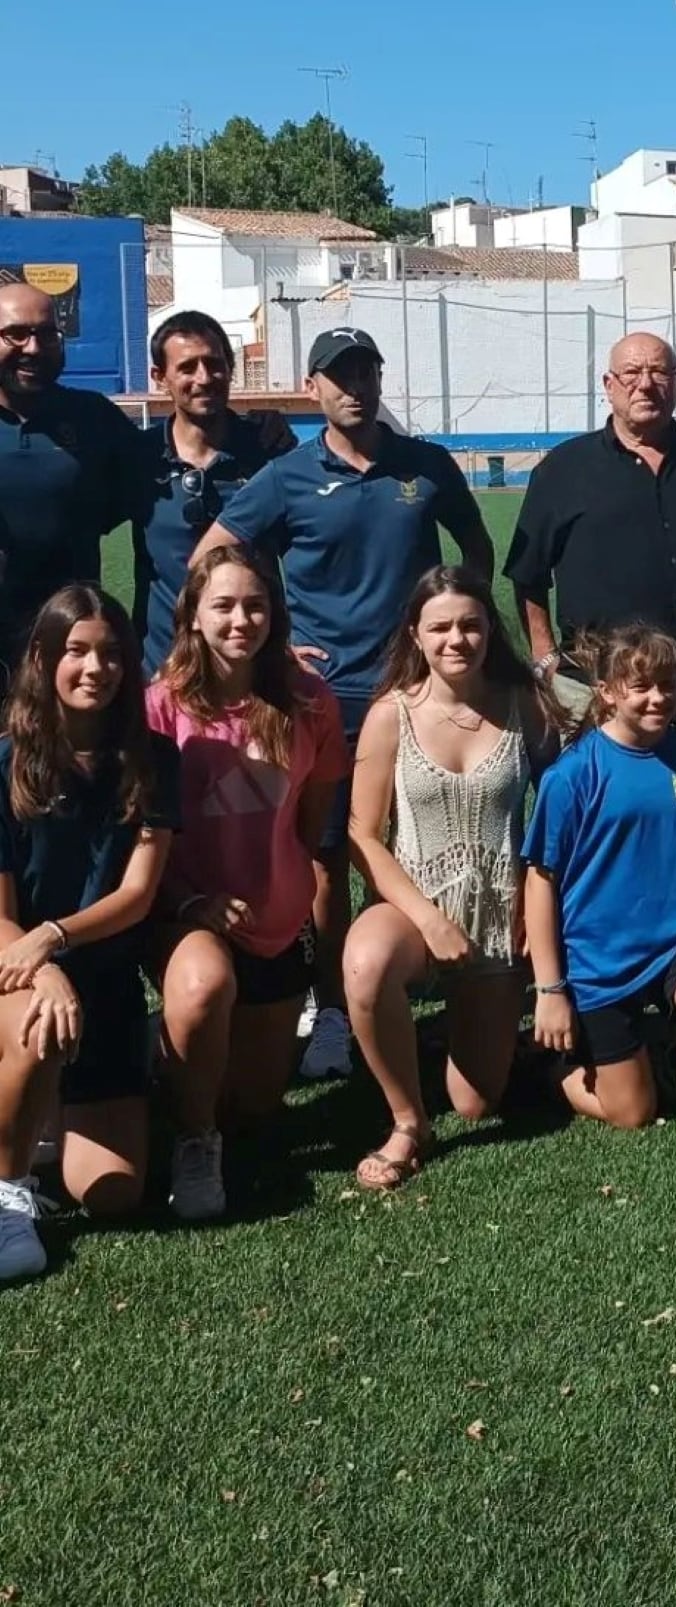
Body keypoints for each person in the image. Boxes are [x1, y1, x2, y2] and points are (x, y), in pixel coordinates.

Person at [192, 326, 493, 1083]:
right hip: (329, 700)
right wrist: (274, 644)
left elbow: (476, 545)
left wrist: (465, 618)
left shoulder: (424, 466)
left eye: (366, 370)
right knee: (328, 854)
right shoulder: (289, 475)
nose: (354, 386)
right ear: (314, 385)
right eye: (338, 374)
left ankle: (444, 979)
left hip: (422, 694)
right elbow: (213, 560)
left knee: (435, 839)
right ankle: (331, 1007)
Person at [145, 545, 348, 1220]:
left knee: (254, 1108)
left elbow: (309, 822)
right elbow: (138, 840)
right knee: (203, 987)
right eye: (224, 605)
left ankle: (168, 1048)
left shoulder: (309, 701)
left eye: (255, 604)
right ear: (194, 615)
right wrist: (187, 903)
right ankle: (194, 1141)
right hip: (187, 918)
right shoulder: (159, 707)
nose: (241, 619)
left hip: (276, 926)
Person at [343, 567, 561, 1189]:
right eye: (439, 627)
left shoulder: (525, 705)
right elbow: (363, 834)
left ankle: (442, 1031)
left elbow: (563, 801)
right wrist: (428, 919)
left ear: (491, 628)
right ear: (415, 634)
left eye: (470, 624)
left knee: (476, 1102)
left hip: (497, 919)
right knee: (367, 962)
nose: (456, 640)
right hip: (414, 911)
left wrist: (535, 895)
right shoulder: (392, 715)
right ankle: (408, 1122)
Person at [523, 624, 676, 1128]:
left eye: (668, 685)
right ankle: (549, 1068)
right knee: (633, 1113)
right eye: (640, 687)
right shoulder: (572, 775)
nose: (658, 698)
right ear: (607, 693)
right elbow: (541, 880)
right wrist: (550, 990)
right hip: (599, 962)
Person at [0, 586, 180, 1281]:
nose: (94, 667)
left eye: (111, 653)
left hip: (102, 983)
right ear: (42, 658)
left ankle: (48, 1114)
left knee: (114, 1192)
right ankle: (11, 1192)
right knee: (43, 1021)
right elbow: (4, 917)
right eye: (76, 650)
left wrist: (57, 939)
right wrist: (43, 963)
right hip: (18, 975)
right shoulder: (7, 759)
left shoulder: (154, 759)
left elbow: (137, 894)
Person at [503, 331, 676, 778]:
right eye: (632, 373)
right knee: (596, 824)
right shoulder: (563, 471)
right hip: (598, 693)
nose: (645, 384)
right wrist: (545, 658)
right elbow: (528, 575)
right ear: (609, 385)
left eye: (659, 373)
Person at [133, 310, 295, 673]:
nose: (204, 378)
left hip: (256, 668)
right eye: (187, 367)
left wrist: (305, 637)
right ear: (160, 378)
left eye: (215, 364)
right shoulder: (137, 458)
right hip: (164, 670)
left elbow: (313, 549)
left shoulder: (269, 449)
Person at [0, 283, 148, 666]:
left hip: (73, 649)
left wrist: (254, 432)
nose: (33, 348)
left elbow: (168, 461)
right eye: (16, 333)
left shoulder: (93, 417)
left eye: (47, 334)